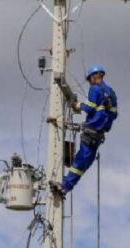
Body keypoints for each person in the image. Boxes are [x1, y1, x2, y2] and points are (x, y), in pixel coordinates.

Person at [50, 64, 118, 196]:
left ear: (94, 77)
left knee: (80, 162)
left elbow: (89, 108)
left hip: (91, 132)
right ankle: (65, 187)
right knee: (84, 164)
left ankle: (64, 186)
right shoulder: (111, 93)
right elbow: (114, 114)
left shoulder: (95, 89)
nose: (90, 82)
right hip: (98, 135)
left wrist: (77, 105)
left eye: (90, 79)